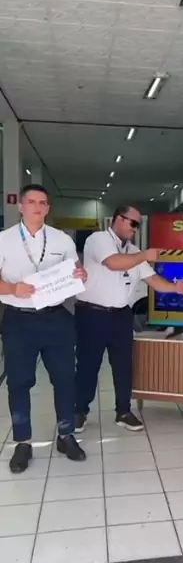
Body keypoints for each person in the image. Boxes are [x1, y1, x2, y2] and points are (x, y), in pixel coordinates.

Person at [74, 204, 183, 433]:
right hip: (92, 314)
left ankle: (123, 411)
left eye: (139, 225)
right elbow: (113, 263)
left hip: (120, 316)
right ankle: (79, 411)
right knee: (88, 365)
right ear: (118, 219)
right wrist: (145, 255)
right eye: (133, 223)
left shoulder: (134, 251)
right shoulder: (98, 240)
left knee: (124, 365)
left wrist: (176, 288)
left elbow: (152, 279)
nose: (135, 229)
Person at [0, 184, 87, 474]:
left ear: (48, 208)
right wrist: (12, 288)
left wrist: (81, 273)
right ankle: (23, 442)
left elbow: (77, 270)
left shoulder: (62, 239)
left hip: (56, 318)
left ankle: (66, 435)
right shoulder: (4, 240)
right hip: (19, 320)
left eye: (43, 202)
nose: (38, 207)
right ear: (20, 206)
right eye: (32, 201)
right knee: (19, 382)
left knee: (65, 379)